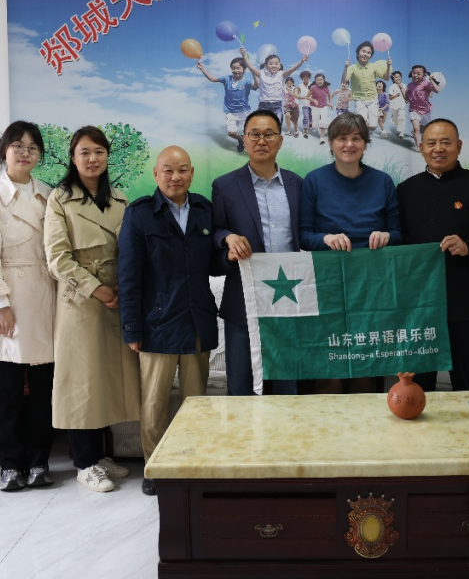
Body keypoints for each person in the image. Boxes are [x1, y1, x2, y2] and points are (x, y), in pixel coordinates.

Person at [118, 146, 231, 496]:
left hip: (197, 318)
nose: (175, 177)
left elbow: (211, 265)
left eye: (182, 170)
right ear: (156, 174)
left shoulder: (203, 209)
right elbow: (128, 276)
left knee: (196, 401)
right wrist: (132, 328)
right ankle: (155, 467)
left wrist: (230, 256)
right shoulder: (139, 214)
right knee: (154, 402)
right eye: (168, 170)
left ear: (192, 173)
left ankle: (193, 463)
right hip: (157, 322)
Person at [44, 126, 139, 493]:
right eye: (84, 152)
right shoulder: (59, 198)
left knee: (107, 379)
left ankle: (100, 456)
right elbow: (57, 258)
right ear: (73, 158)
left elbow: (131, 248)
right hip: (81, 300)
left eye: (99, 151)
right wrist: (96, 289)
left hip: (117, 295)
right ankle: (84, 463)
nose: (92, 159)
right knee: (82, 380)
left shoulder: (120, 198)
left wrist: (123, 288)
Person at [0, 121, 57, 492]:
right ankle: (10, 464)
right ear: (3, 150)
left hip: (46, 297)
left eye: (32, 147)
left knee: (43, 389)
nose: (25, 152)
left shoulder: (49, 194)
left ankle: (39, 461)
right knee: (9, 391)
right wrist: (0, 303)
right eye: (18, 145)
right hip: (9, 300)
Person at [397, 119, 469, 392]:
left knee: (465, 380)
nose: (439, 149)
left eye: (446, 142)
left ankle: (467, 420)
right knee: (418, 383)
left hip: (465, 299)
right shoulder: (406, 190)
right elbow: (398, 241)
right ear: (421, 147)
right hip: (419, 301)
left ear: (459, 146)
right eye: (431, 143)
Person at [300, 112, 403, 393]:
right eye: (342, 138)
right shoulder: (314, 181)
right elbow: (304, 235)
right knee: (329, 364)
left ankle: (365, 420)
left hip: (372, 285)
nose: (349, 145)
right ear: (331, 143)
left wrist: (386, 236)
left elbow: (398, 233)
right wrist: (326, 238)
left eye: (356, 138)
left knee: (365, 362)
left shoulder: (383, 182)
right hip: (328, 285)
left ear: (365, 143)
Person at [211, 109, 302, 397]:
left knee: (288, 387)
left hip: (289, 298)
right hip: (244, 299)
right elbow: (214, 231)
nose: (261, 141)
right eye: (254, 134)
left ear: (280, 140)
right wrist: (227, 239)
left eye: (269, 134)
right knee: (241, 389)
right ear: (244, 139)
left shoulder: (297, 184)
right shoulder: (224, 186)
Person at [197, 56, 257, 153]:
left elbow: (256, 86)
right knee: (231, 133)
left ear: (244, 69)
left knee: (249, 133)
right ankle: (241, 140)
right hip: (230, 112)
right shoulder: (227, 79)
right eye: (233, 68)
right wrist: (202, 68)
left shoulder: (246, 81)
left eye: (238, 68)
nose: (236, 70)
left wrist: (254, 73)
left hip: (244, 112)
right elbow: (212, 79)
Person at [240, 48, 307, 124]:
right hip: (263, 106)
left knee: (277, 125)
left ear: (279, 65)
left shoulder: (281, 75)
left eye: (276, 64)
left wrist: (302, 61)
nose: (274, 66)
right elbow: (251, 67)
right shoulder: (262, 74)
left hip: (277, 106)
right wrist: (244, 55)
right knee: (263, 126)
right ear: (266, 65)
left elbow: (293, 69)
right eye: (271, 64)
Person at [340, 40, 390, 133]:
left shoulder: (373, 66)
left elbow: (386, 78)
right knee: (362, 123)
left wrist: (388, 67)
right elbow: (344, 80)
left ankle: (365, 129)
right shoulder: (352, 67)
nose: (365, 54)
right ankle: (360, 129)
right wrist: (346, 67)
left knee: (373, 126)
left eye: (368, 52)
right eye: (363, 51)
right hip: (359, 100)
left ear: (370, 55)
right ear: (358, 52)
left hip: (373, 100)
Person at [406, 65, 442, 152]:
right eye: (414, 73)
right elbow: (407, 97)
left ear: (423, 75)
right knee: (416, 128)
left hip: (426, 111)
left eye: (418, 74)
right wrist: (403, 92)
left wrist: (431, 80)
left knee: (424, 129)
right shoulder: (410, 85)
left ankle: (417, 133)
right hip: (414, 110)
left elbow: (437, 90)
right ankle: (419, 146)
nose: (415, 75)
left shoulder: (426, 84)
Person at [308, 73, 332, 144]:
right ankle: (316, 126)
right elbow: (307, 96)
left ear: (324, 80)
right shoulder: (313, 88)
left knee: (323, 121)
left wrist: (330, 103)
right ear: (315, 81)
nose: (319, 81)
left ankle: (322, 138)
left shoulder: (326, 88)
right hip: (315, 107)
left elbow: (329, 95)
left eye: (321, 80)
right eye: (317, 80)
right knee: (315, 123)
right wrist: (313, 100)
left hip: (324, 106)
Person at [387, 70, 408, 139]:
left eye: (399, 76)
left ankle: (401, 133)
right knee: (395, 120)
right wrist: (396, 96)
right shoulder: (392, 87)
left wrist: (406, 100)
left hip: (402, 105)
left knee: (402, 117)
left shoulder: (404, 85)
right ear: (393, 79)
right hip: (394, 106)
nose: (398, 78)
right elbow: (390, 97)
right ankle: (394, 120)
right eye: (396, 77)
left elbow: (406, 96)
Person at [297, 70, 313, 139]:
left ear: (309, 77)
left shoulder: (313, 84)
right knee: (306, 117)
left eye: (307, 77)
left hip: (312, 104)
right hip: (305, 104)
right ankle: (305, 131)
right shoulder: (300, 86)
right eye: (304, 77)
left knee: (311, 116)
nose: (306, 78)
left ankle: (310, 123)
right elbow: (296, 94)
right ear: (302, 78)